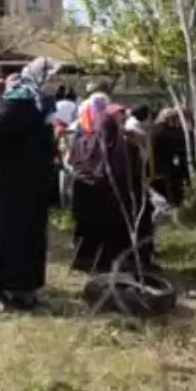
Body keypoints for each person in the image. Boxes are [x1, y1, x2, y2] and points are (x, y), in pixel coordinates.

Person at [0, 80, 55, 311]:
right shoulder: (39, 123)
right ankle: (24, 288)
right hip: (32, 191)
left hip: (0, 187)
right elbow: (50, 156)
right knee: (27, 238)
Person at [69, 103, 150, 273]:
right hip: (114, 209)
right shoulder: (126, 148)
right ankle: (129, 258)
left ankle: (86, 258)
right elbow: (135, 177)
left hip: (84, 208)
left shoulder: (81, 144)